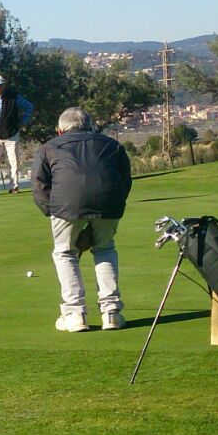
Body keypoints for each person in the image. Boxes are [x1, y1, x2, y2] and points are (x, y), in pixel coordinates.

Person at [31, 106, 132, 332]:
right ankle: (111, 313)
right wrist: (113, 206)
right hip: (109, 202)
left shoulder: (48, 148)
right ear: (91, 127)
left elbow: (39, 187)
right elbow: (124, 181)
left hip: (65, 204)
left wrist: (54, 211)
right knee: (105, 249)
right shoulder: (113, 145)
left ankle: (75, 314)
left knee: (65, 253)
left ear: (60, 130)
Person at [0, 74, 34, 194]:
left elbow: (29, 107)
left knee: (14, 162)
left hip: (12, 134)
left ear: (4, 85)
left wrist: (22, 122)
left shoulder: (13, 97)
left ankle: (14, 186)